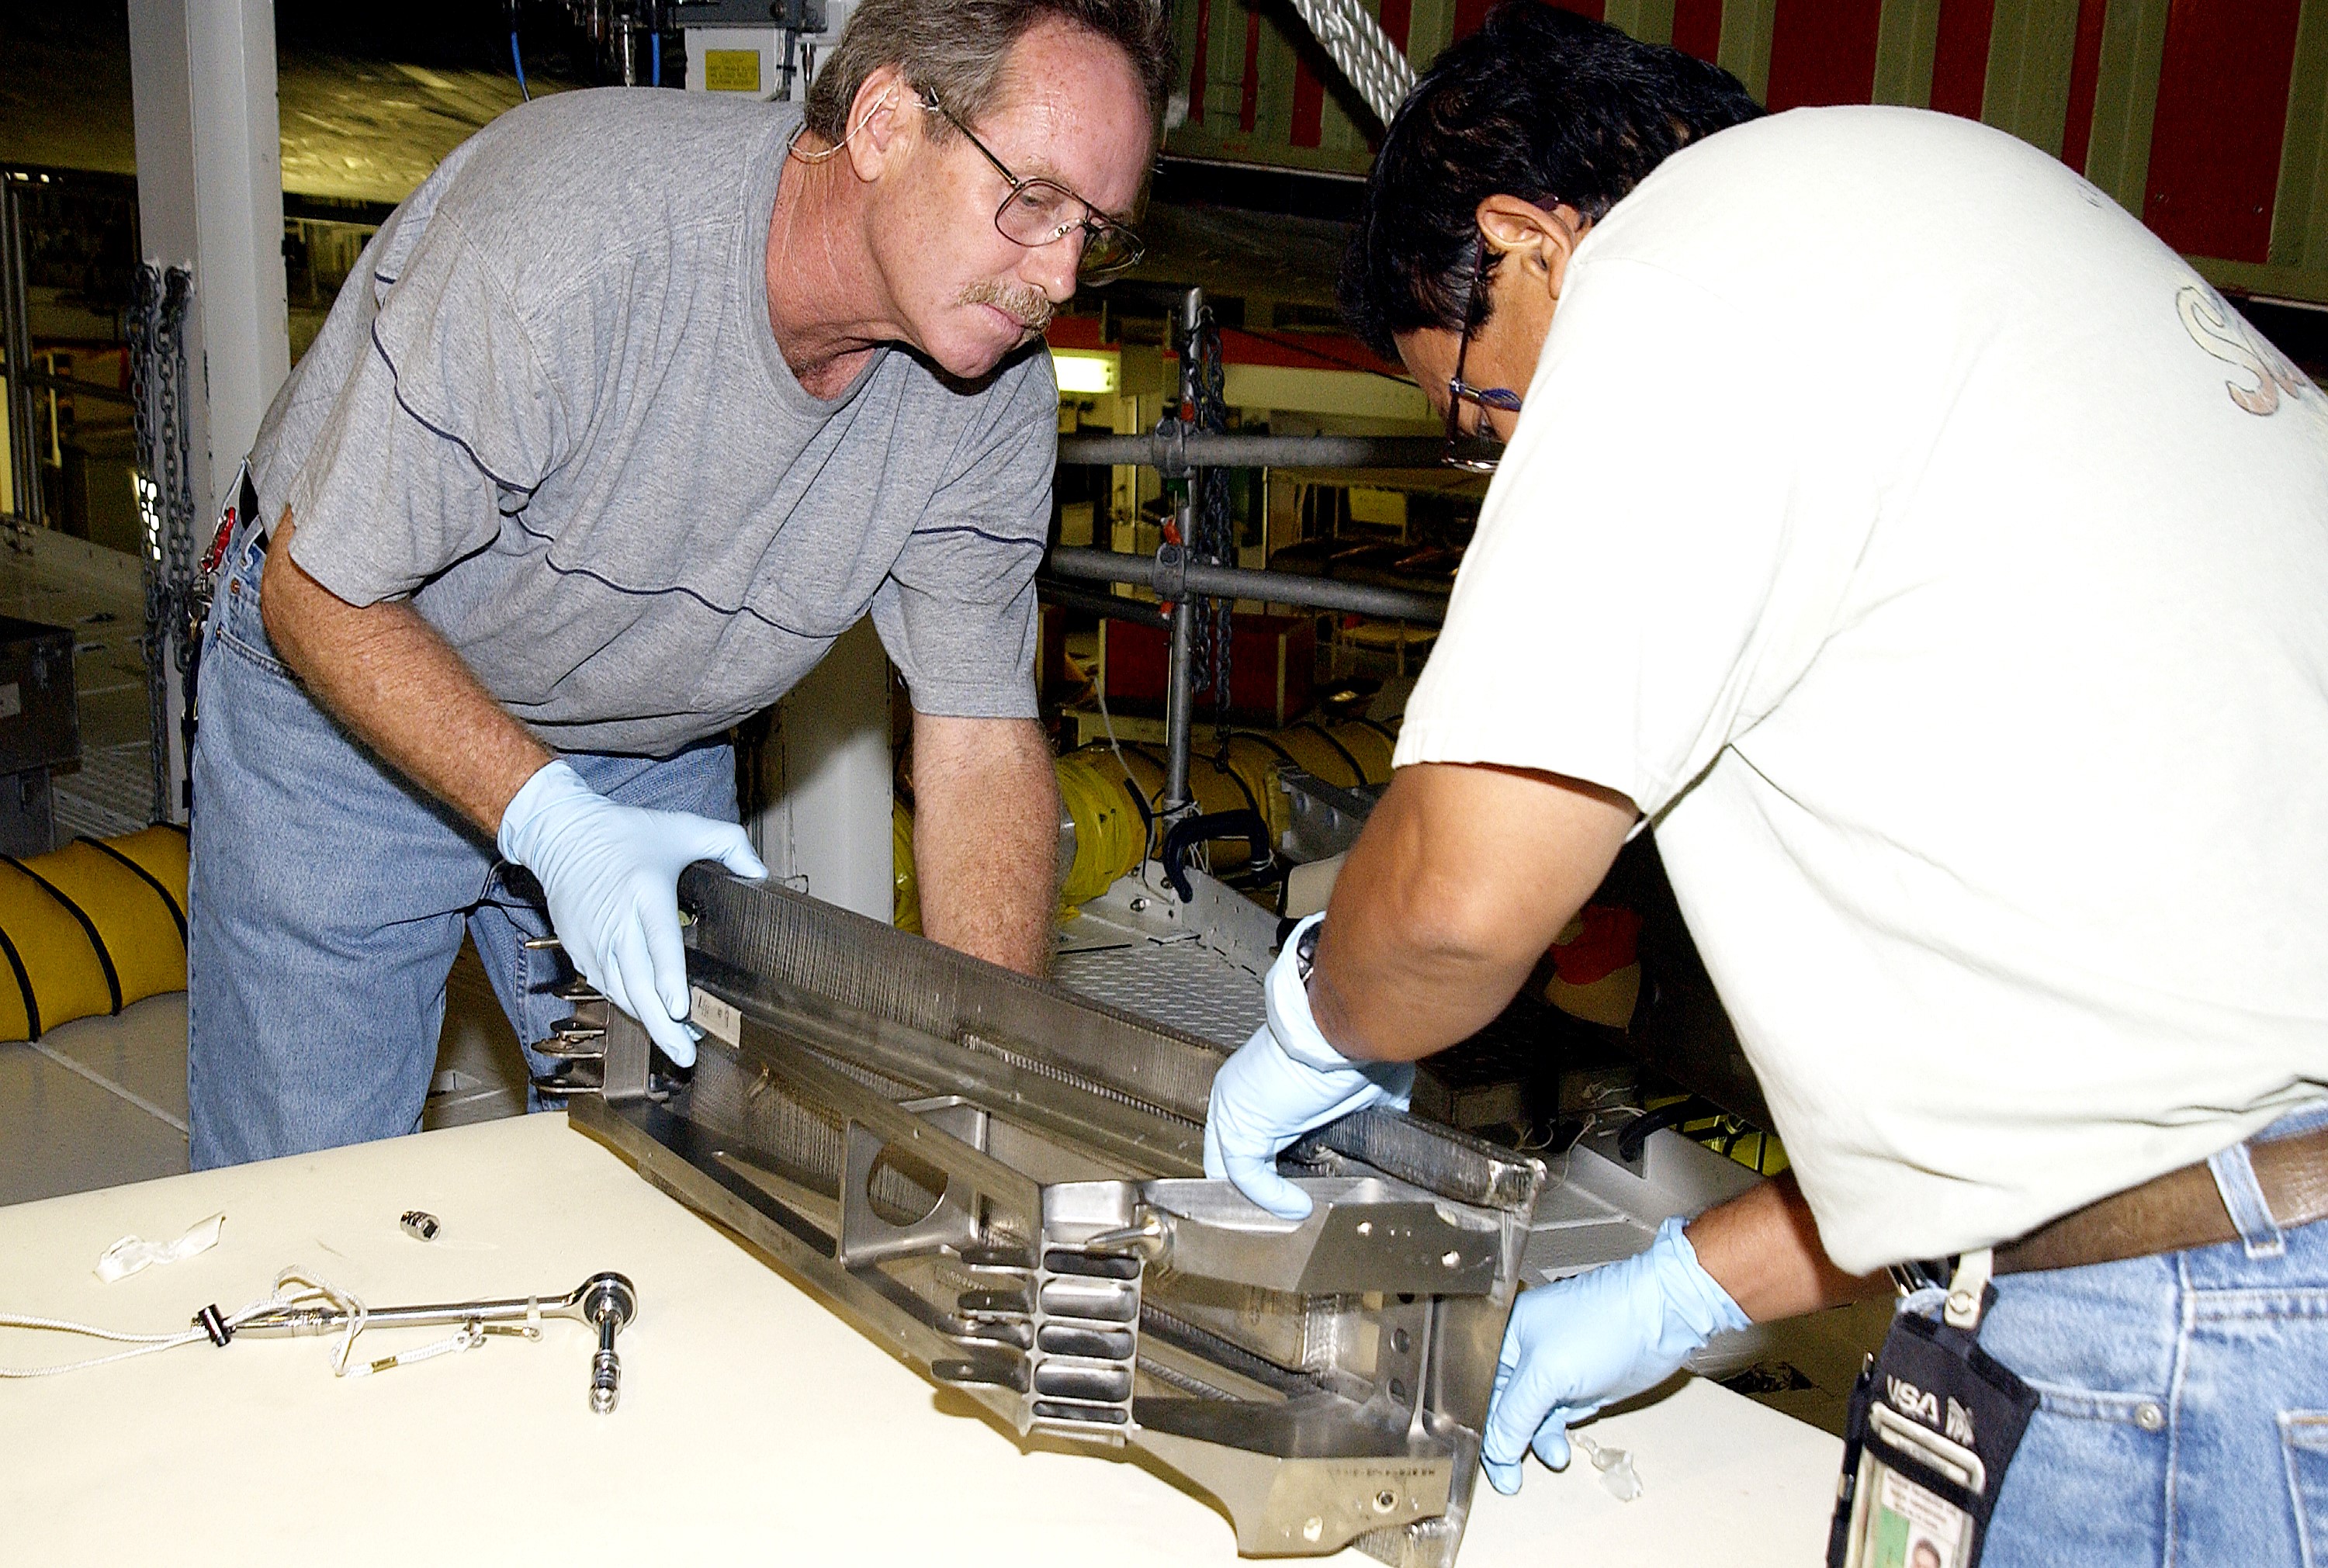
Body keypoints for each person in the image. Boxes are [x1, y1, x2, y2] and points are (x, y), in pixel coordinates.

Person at [1202, 7, 2328, 1563]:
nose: (1496, 473)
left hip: (2209, 1347)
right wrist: (1678, 1293)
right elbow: (2075, 1107)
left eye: (1480, 421)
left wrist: (1315, 1013)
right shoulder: (1959, 208)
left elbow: (1458, 910)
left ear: (1525, 241)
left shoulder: (1677, 280)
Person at [188, 0, 1173, 1168]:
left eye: (1094, 231)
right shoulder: (567, 249)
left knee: (705, 1181)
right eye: (1033, 200)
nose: (1058, 272)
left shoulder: (993, 403)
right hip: (350, 697)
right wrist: (550, 822)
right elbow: (319, 589)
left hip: (640, 739)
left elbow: (978, 743)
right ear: (884, 120)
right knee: (307, 1210)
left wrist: (989, 1089)